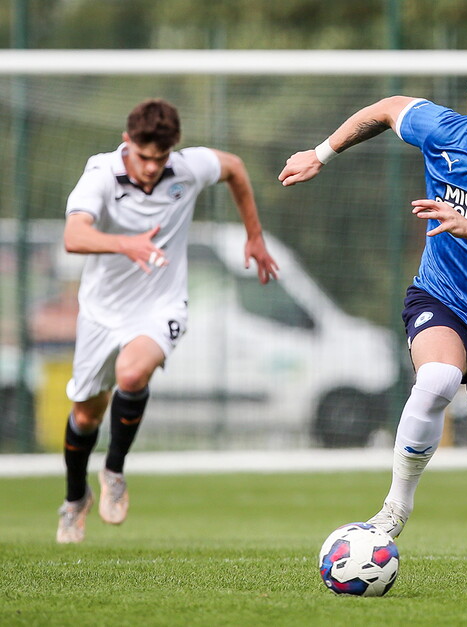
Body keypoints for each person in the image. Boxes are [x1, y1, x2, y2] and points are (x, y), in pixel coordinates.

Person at [278, 46, 467, 584]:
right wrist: (322, 151)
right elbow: (386, 109)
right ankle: (394, 508)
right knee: (436, 377)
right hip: (441, 296)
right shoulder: (442, 130)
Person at [56, 98, 280, 544]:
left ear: (171, 151)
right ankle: (74, 499)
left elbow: (234, 167)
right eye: (143, 158)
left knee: (132, 372)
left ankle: (114, 473)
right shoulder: (100, 174)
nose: (150, 169)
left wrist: (254, 236)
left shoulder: (188, 167)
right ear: (127, 143)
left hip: (162, 306)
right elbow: (73, 235)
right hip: (101, 312)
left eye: (160, 159)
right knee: (85, 415)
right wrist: (127, 245)